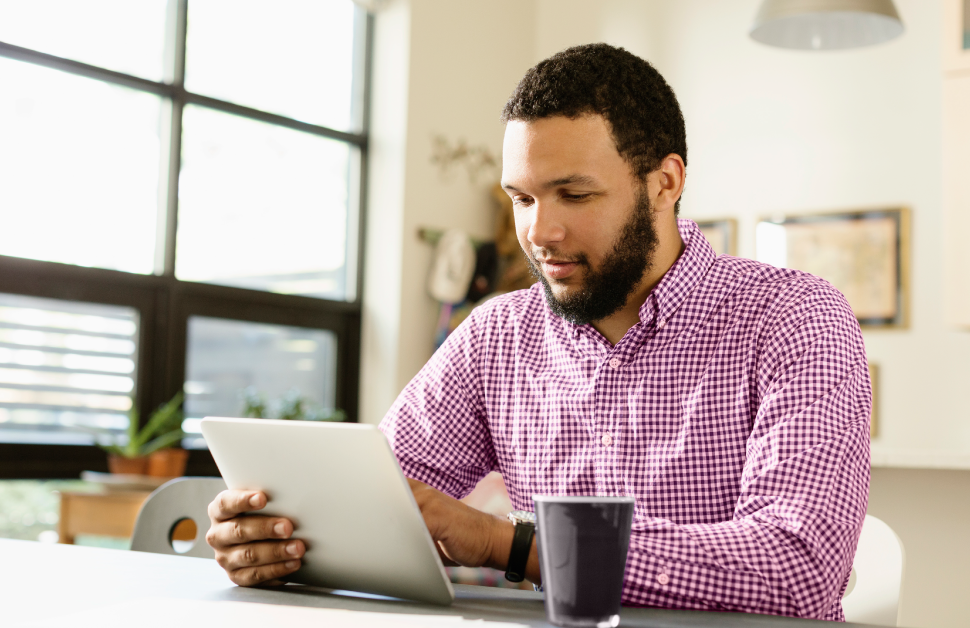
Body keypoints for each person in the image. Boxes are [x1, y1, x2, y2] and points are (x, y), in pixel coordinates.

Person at [205, 43, 870, 622]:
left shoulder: (795, 318)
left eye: (574, 195)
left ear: (665, 183)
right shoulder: (498, 333)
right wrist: (278, 539)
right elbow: (382, 502)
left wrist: (511, 542)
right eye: (521, 198)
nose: (538, 232)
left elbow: (798, 568)